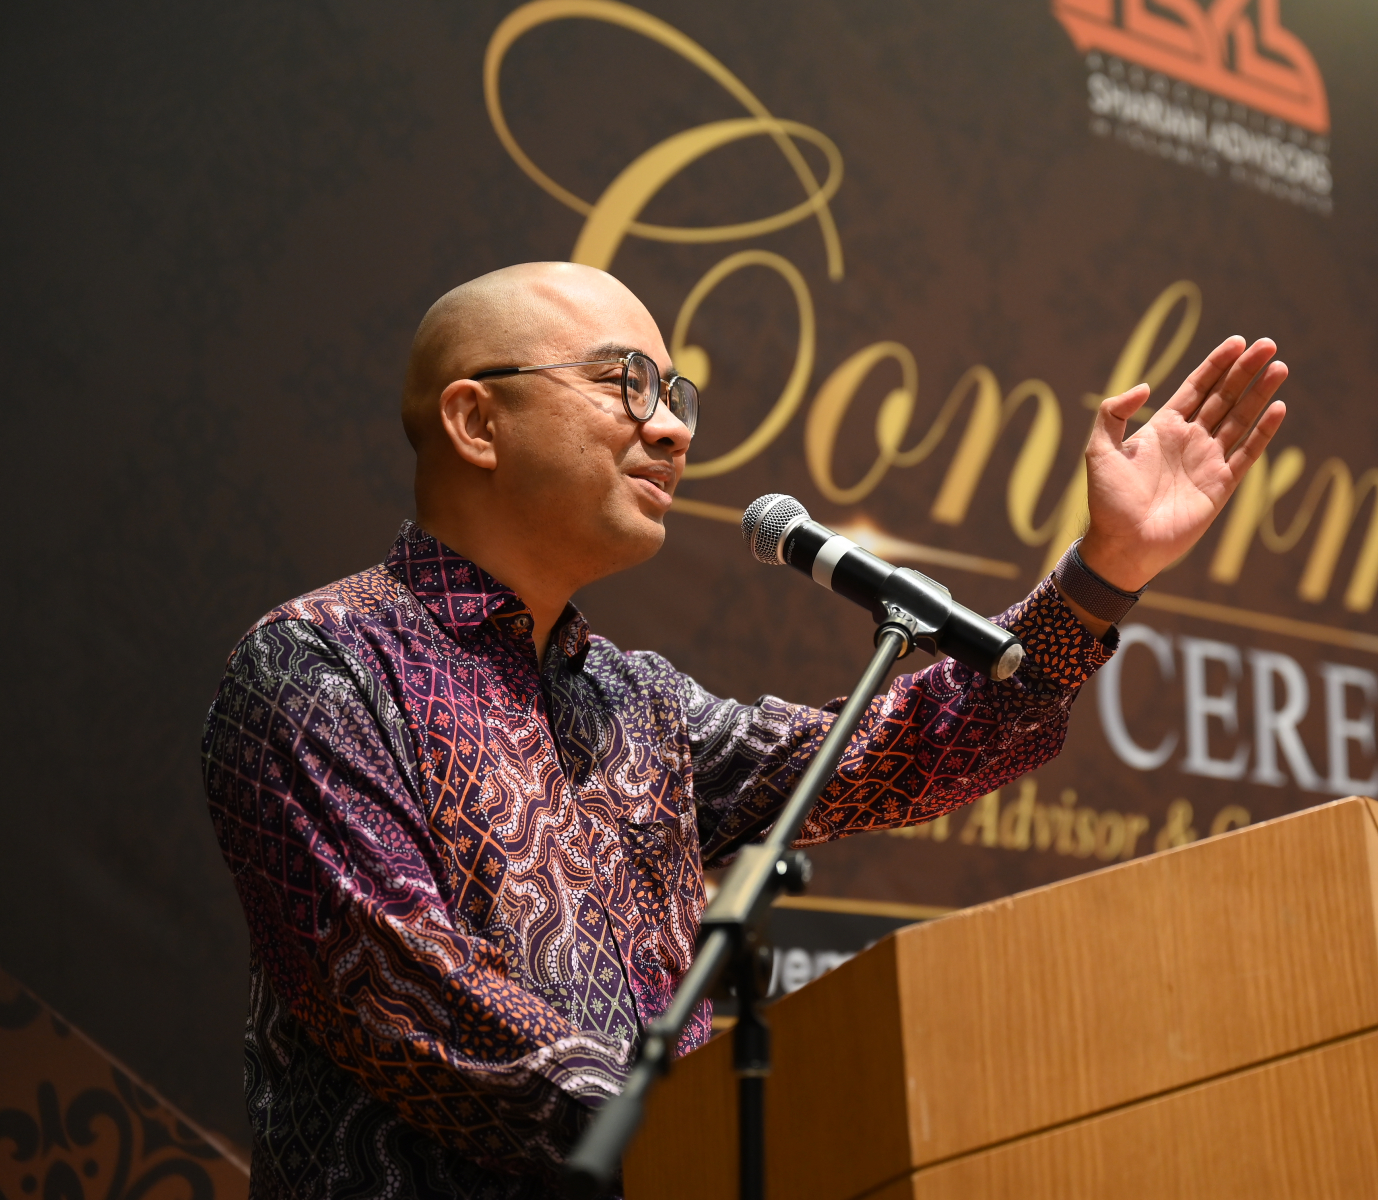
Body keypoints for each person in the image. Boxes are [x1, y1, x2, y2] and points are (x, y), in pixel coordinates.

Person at [200, 261, 1288, 1198]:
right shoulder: (318, 666)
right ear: (476, 421)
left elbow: (893, 754)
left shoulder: (634, 699)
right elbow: (410, 1002)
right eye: (625, 383)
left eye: (675, 393)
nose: (672, 427)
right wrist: (744, 1143)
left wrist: (1104, 574)